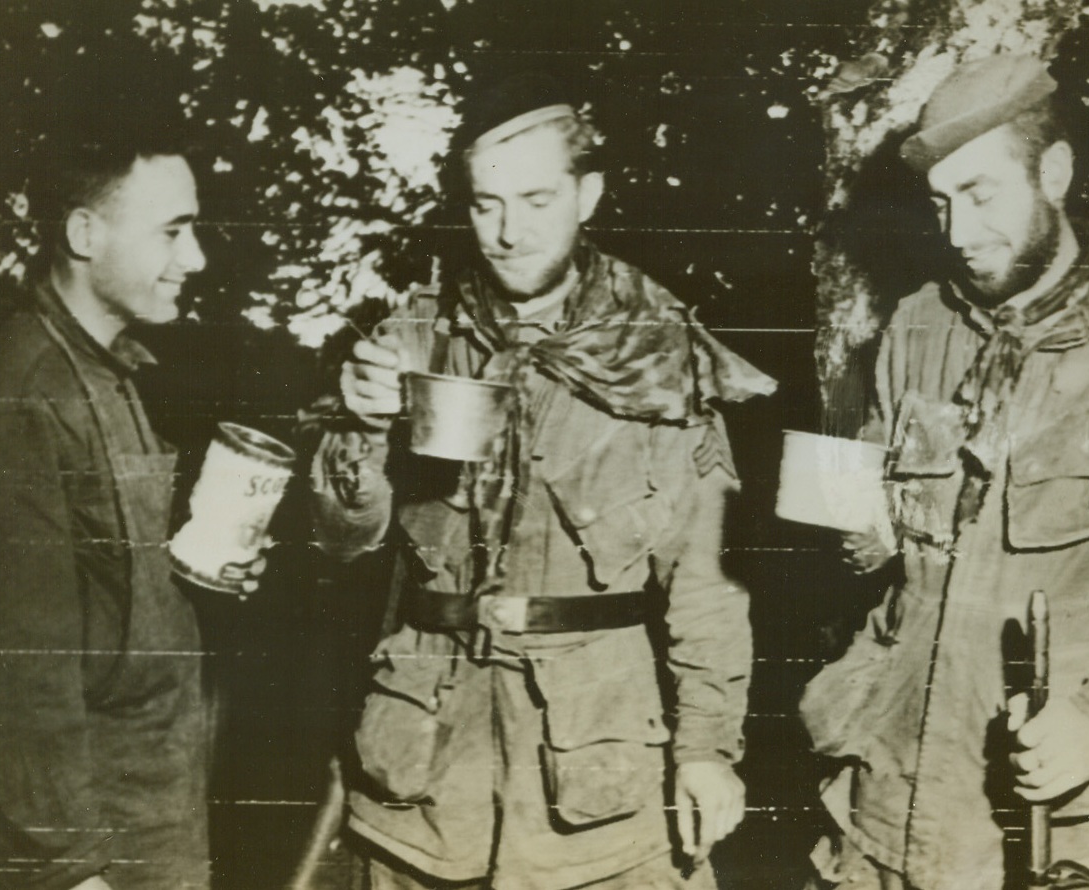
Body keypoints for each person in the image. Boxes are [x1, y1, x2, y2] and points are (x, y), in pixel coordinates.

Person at [308, 73, 776, 889]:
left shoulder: (660, 355)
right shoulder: (416, 333)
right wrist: (363, 423)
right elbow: (339, 542)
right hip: (425, 774)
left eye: (535, 200)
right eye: (486, 204)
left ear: (587, 195)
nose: (508, 232)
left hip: (596, 784)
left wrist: (707, 749)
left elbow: (705, 586)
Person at [799, 53, 1089, 890]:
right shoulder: (916, 324)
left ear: (1055, 172)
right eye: (941, 202)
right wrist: (848, 518)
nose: (957, 233)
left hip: (1059, 805)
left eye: (980, 194)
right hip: (890, 799)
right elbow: (868, 541)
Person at [0, 117, 252, 888]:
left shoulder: (110, 371)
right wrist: (69, 871)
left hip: (153, 811)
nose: (195, 258)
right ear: (83, 234)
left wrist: (200, 563)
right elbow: (16, 677)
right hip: (90, 840)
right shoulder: (22, 392)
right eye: (172, 232)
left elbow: (108, 594)